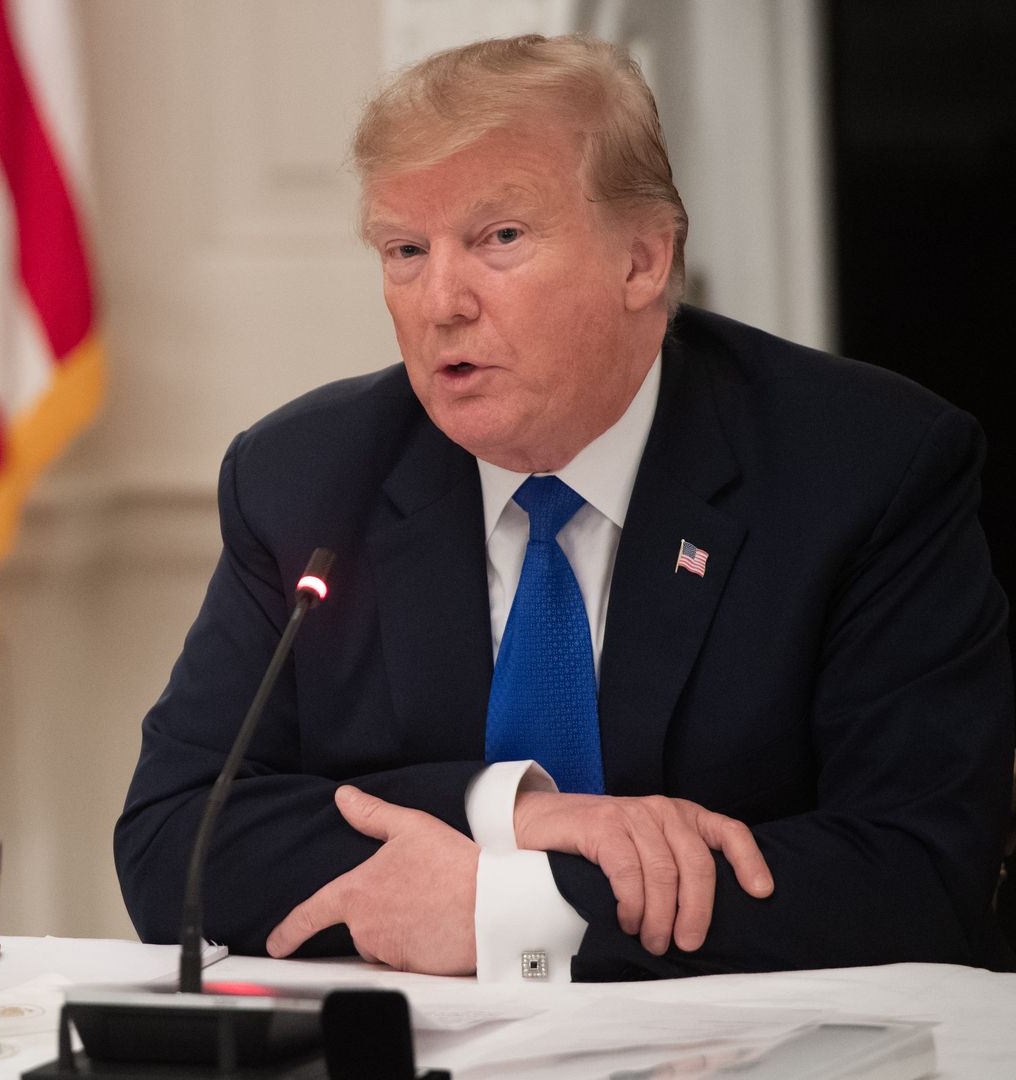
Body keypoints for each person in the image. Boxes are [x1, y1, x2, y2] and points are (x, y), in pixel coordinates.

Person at [115, 34, 1014, 982]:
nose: (441, 302)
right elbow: (175, 837)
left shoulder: (865, 467)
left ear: (642, 261)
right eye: (405, 250)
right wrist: (512, 812)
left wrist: (516, 907)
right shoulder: (307, 476)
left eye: (499, 238)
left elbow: (918, 875)